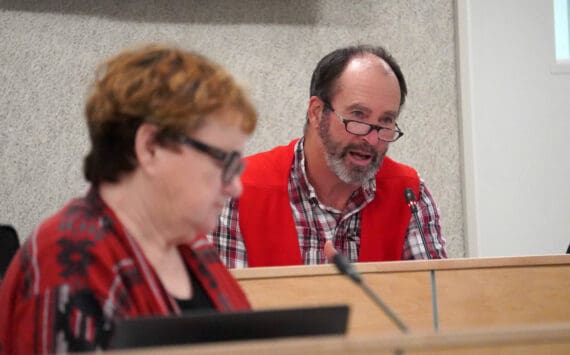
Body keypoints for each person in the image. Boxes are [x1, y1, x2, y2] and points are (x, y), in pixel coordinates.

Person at [0, 45, 256, 353]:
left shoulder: (195, 248)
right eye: (224, 162)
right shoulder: (70, 256)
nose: (235, 187)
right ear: (150, 147)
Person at [211, 44, 447, 268]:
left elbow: (436, 300)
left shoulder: (409, 195)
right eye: (358, 115)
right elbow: (226, 305)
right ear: (316, 113)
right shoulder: (237, 190)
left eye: (385, 121)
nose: (372, 140)